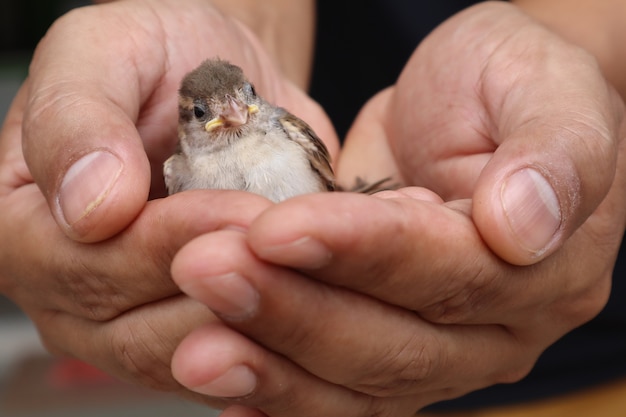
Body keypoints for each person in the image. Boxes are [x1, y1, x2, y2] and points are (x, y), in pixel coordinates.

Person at [0, 1, 624, 417]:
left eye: (242, 97)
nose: (234, 115)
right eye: (206, 111)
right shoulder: (178, 172)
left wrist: (575, 77)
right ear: (187, 122)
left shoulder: (286, 131)